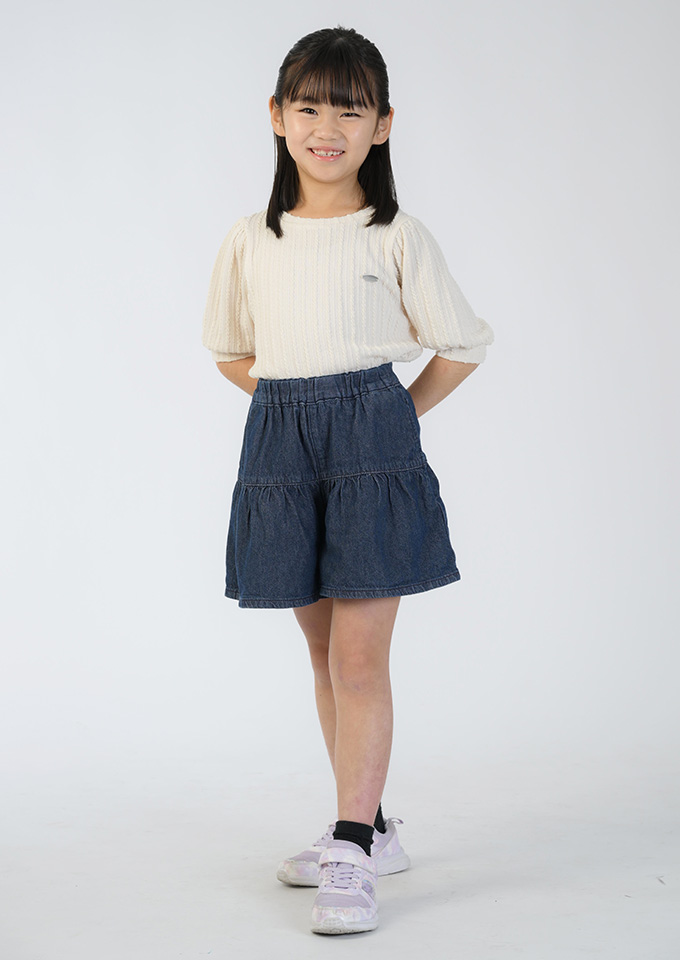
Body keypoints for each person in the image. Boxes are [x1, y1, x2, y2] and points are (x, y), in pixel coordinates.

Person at [201, 25, 494, 936]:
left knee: (362, 657)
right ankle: (366, 825)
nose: (327, 128)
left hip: (375, 446)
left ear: (383, 124)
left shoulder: (395, 234)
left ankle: (353, 845)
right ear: (277, 117)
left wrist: (391, 414)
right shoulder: (251, 239)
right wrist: (295, 409)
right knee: (323, 650)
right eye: (309, 107)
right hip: (281, 453)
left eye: (350, 110)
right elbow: (232, 351)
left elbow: (464, 343)